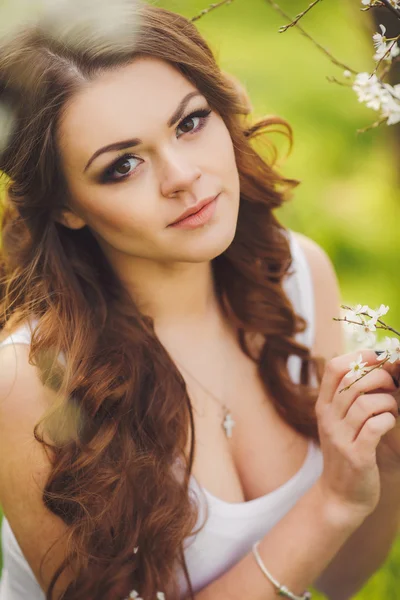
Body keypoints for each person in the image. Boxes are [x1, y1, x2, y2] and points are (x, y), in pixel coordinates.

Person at [0, 2, 400, 600]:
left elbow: (340, 581)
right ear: (66, 208)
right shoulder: (30, 383)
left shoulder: (297, 278)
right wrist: (331, 501)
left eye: (189, 123)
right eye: (123, 165)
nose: (183, 175)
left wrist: (380, 463)